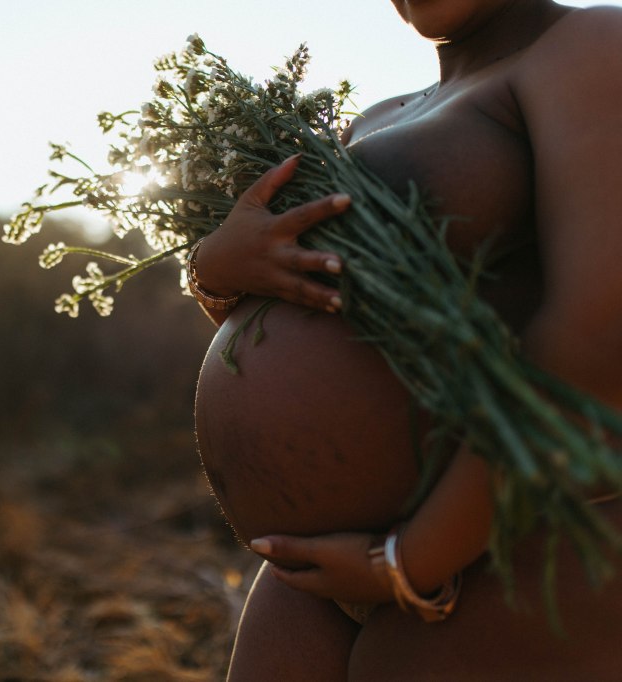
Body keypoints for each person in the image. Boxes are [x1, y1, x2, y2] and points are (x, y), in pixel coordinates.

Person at [186, 1, 622, 679]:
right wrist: (219, 274)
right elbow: (338, 332)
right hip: (326, 569)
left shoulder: (593, 43)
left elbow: (599, 337)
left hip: (516, 540)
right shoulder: (378, 118)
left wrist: (412, 558)